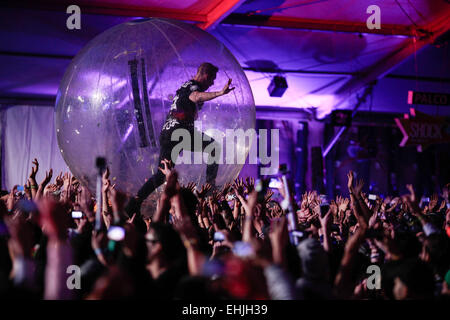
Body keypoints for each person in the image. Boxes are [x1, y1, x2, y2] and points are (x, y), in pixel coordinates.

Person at [126, 62, 234, 215]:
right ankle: (210, 186)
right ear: (206, 75)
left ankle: (134, 203)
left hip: (168, 133)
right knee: (213, 147)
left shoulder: (185, 87)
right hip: (179, 132)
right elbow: (196, 96)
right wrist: (220, 93)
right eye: (212, 79)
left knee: (162, 174)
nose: (212, 83)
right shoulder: (193, 86)